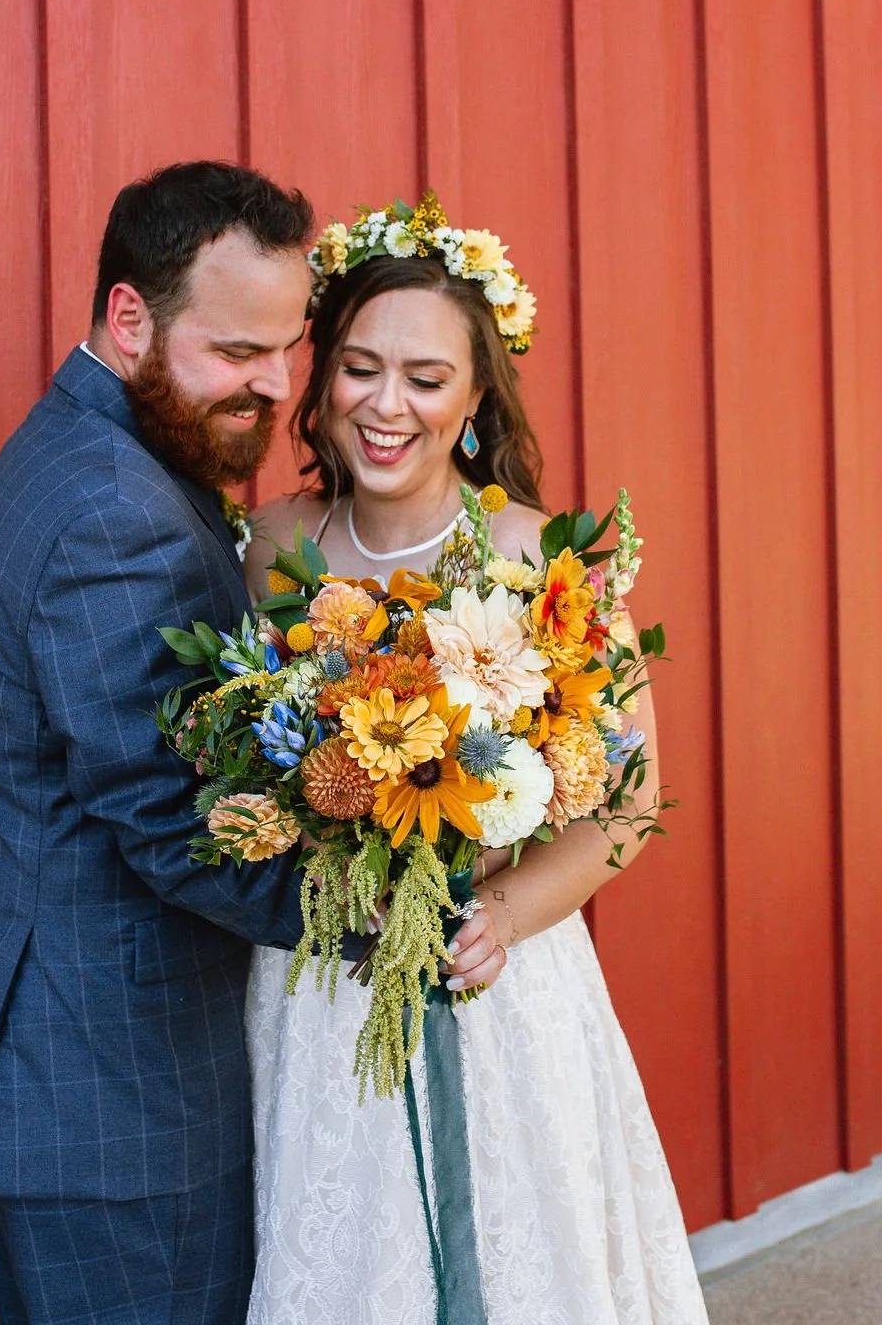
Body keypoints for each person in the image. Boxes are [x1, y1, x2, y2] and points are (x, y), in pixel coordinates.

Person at [242, 201, 709, 1324]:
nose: (386, 405)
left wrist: (504, 906)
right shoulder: (273, 545)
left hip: (491, 969)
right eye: (358, 368)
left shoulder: (532, 558)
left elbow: (630, 801)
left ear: (473, 399)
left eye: (424, 376)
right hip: (323, 976)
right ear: (321, 384)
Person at [0, 160, 330, 1325]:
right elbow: (173, 817)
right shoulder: (113, 507)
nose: (273, 383)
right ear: (128, 314)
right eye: (236, 352)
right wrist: (379, 909)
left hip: (65, 1056)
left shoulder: (92, 450)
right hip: (116, 1100)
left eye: (287, 346)